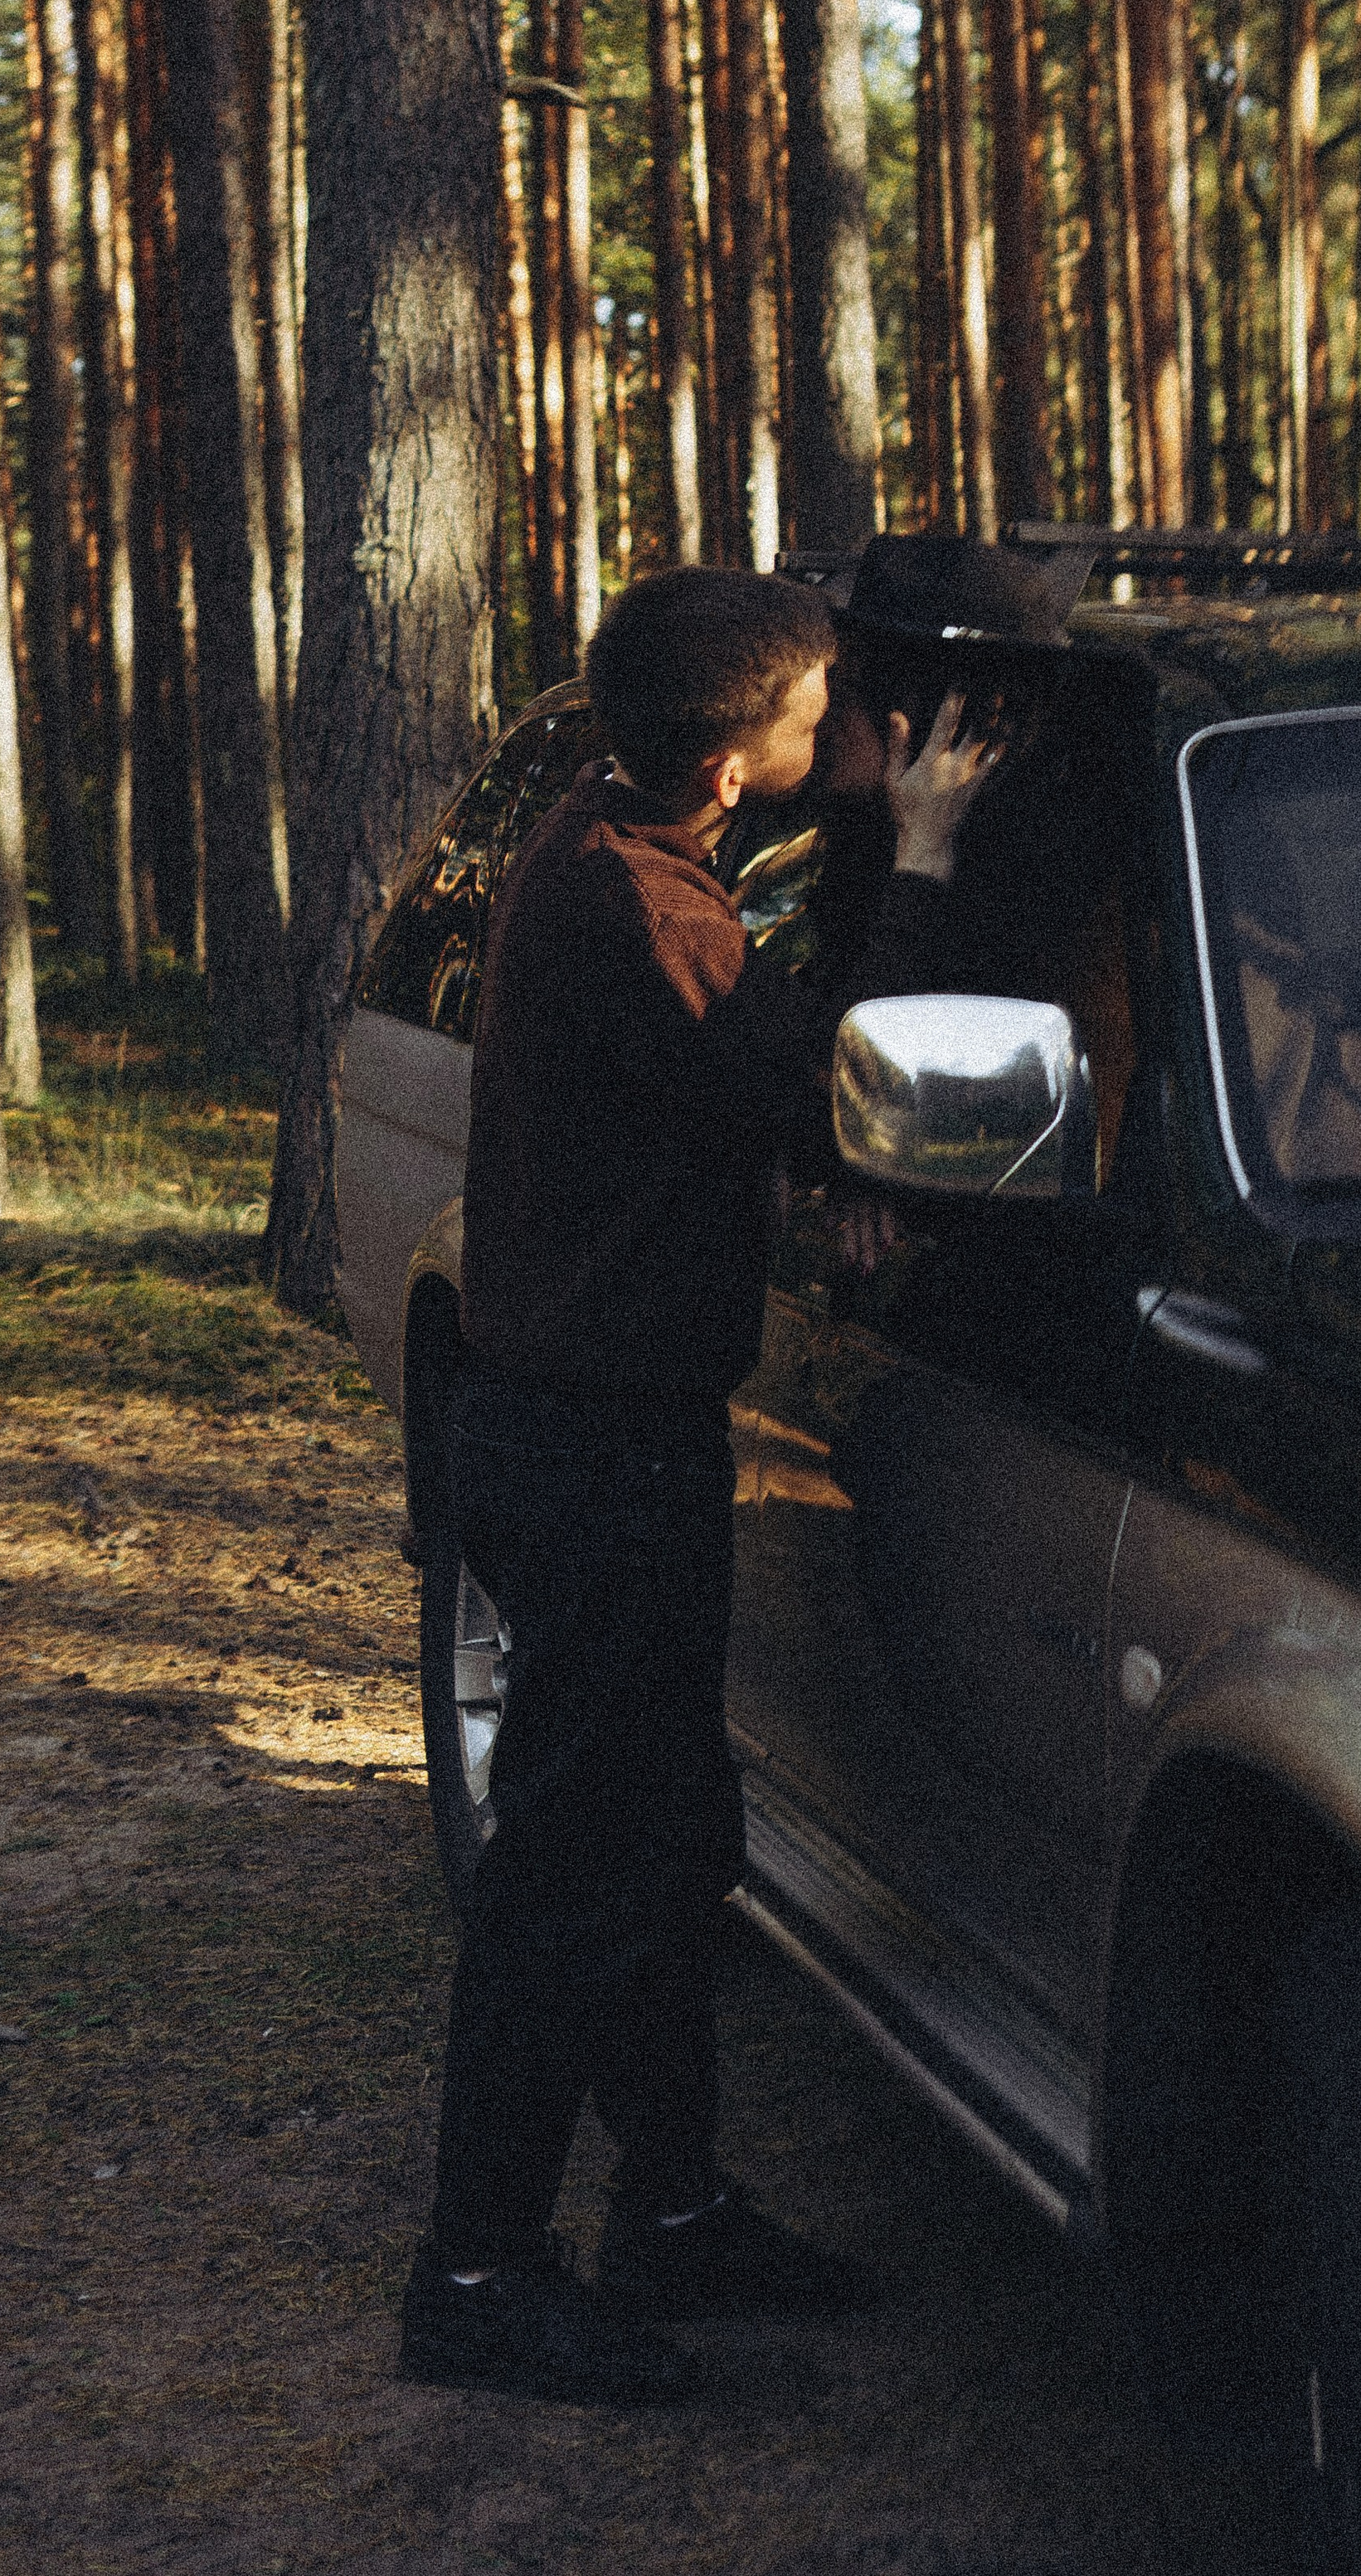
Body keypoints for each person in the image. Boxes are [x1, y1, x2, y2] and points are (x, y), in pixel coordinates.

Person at [398, 566, 998, 2406]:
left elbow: (716, 1077)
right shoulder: (636, 904)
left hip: (590, 1433)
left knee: (665, 1845)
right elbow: (830, 1081)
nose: (844, 727)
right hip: (590, 1451)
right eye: (819, 711)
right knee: (572, 1872)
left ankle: (668, 2214)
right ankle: (476, 2276)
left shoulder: (621, 837)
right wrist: (924, 855)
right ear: (736, 765)